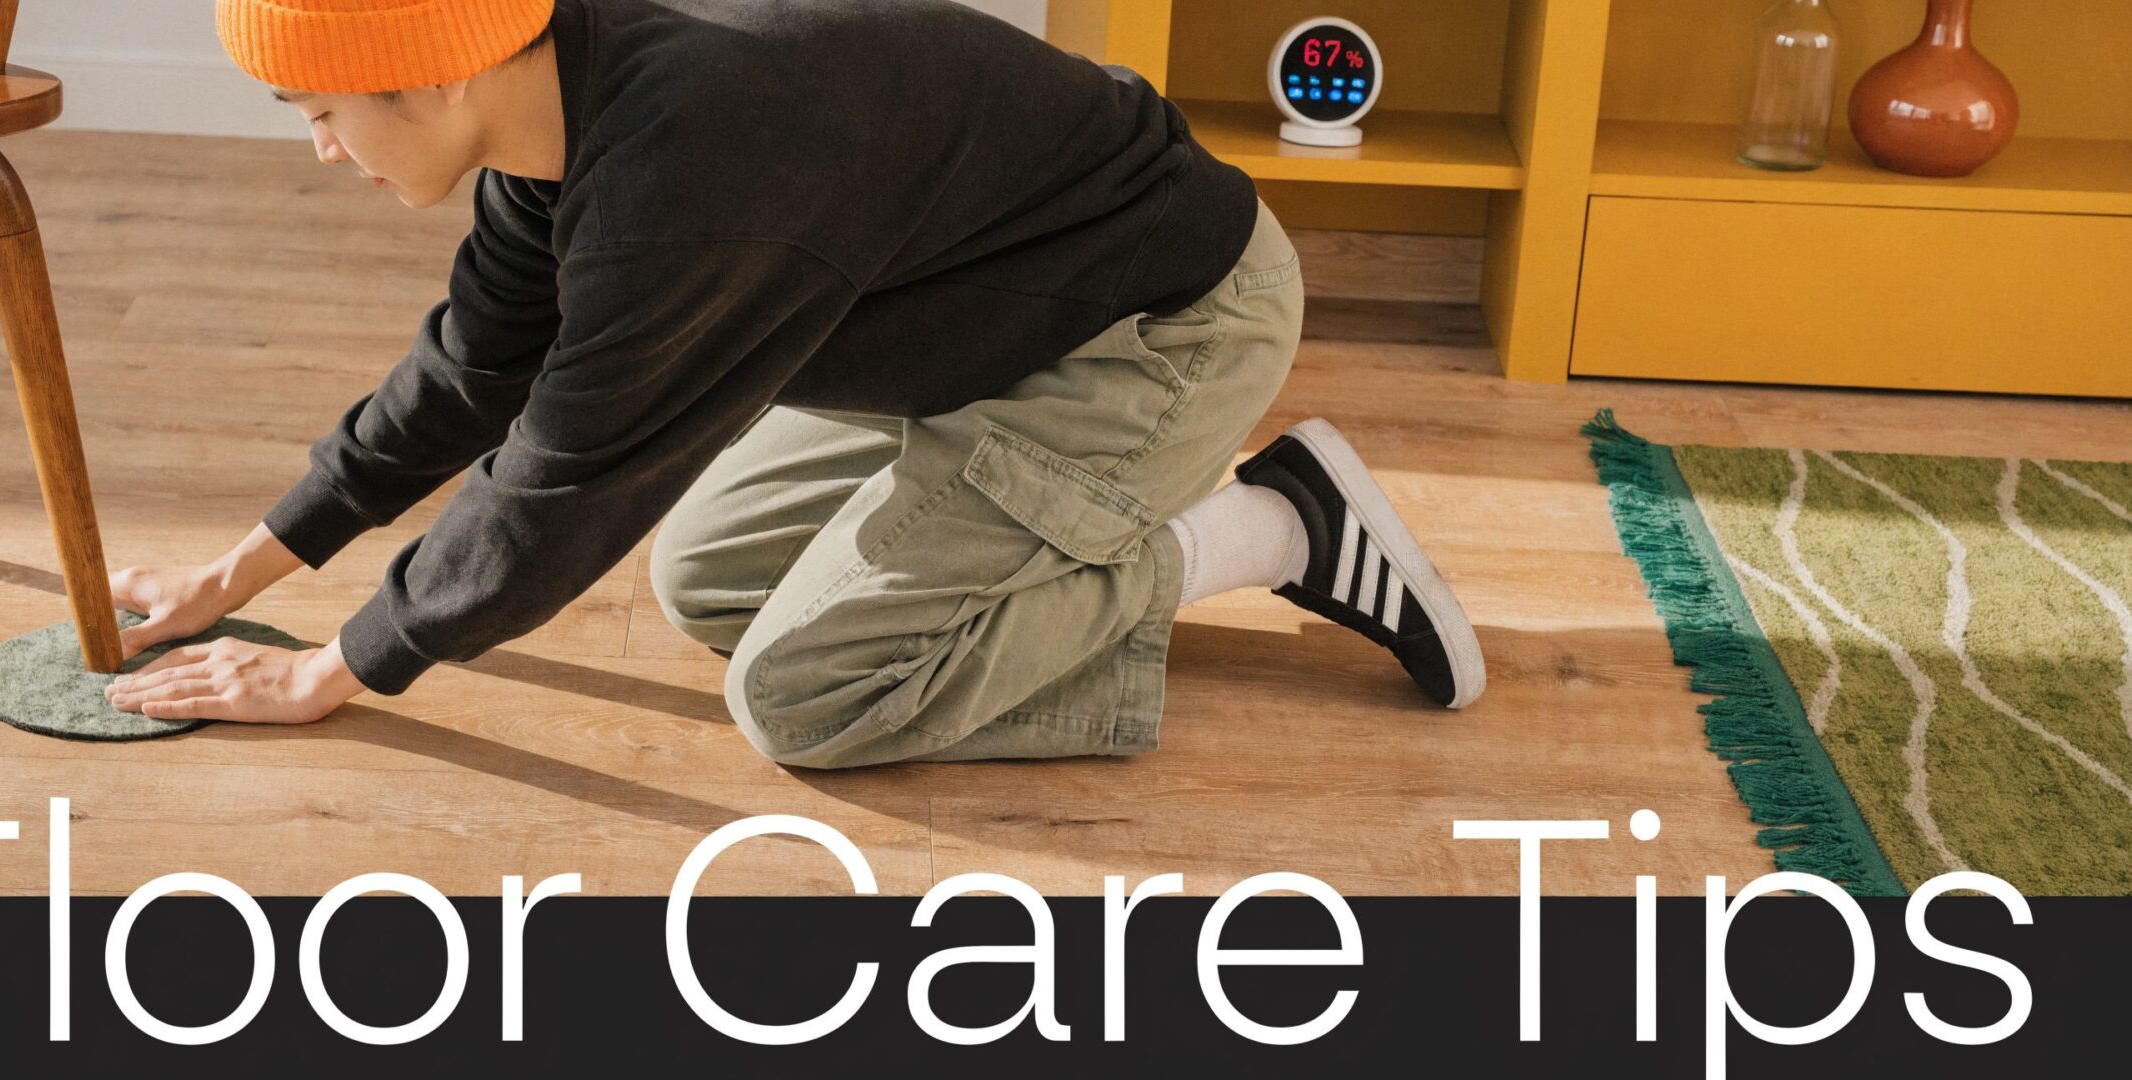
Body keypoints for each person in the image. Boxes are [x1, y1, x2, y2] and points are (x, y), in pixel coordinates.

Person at [104, 0, 1484, 768]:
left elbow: (561, 484)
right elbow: (471, 373)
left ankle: (1273, 524)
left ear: (432, 75)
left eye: (322, 115)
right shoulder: (558, 100)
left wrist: (332, 674)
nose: (322, 154)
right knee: (707, 583)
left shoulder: (686, 172)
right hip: (985, 335)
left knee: (812, 700)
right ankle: (1061, 536)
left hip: (1160, 326)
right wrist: (237, 578)